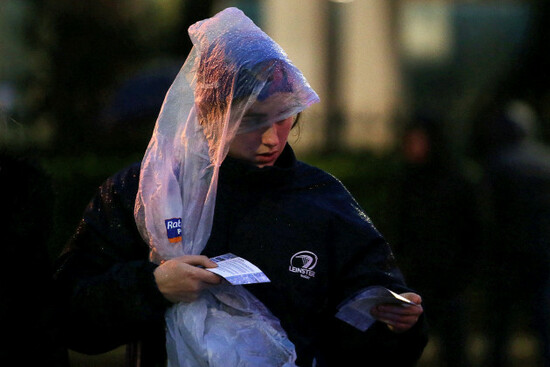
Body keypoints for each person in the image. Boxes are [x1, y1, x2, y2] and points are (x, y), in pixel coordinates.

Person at [53, 7, 427, 367]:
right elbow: (67, 314)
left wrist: (396, 326)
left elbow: (364, 331)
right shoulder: (146, 192)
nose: (271, 138)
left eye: (284, 117)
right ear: (207, 112)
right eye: (252, 120)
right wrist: (152, 287)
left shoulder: (322, 199)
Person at [387, 113, 483, 367]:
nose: (412, 147)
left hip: (451, 283)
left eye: (418, 141)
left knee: (454, 349)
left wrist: (465, 273)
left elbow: (476, 231)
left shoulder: (459, 180)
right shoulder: (406, 181)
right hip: (415, 282)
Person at [479, 101, 550, 367]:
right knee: (544, 324)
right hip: (542, 254)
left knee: (500, 328)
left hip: (507, 257)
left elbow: (487, 215)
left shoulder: (498, 163)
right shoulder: (546, 160)